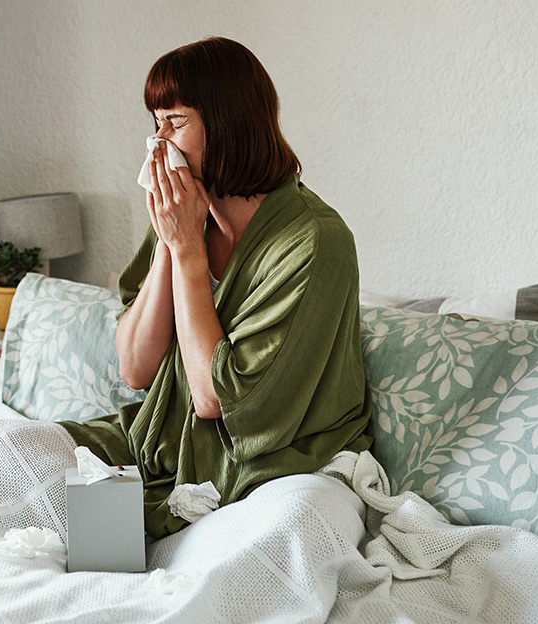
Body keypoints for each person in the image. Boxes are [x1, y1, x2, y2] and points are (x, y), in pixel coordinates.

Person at [59, 37, 372, 538]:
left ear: (228, 123)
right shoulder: (185, 217)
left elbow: (214, 400)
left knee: (270, 546)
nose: (157, 143)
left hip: (272, 466)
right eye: (154, 123)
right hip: (161, 443)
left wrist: (187, 249)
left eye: (175, 123)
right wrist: (171, 237)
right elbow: (136, 368)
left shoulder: (316, 242)